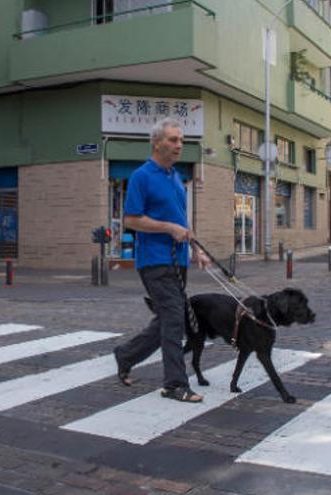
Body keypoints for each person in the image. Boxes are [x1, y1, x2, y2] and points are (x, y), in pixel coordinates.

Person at [113, 117, 210, 404]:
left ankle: (126, 354)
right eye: (173, 139)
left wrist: (195, 248)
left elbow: (180, 220)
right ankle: (174, 384)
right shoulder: (142, 176)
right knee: (174, 320)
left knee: (171, 316)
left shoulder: (176, 177)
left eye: (181, 140)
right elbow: (131, 220)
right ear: (157, 143)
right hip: (154, 260)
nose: (179, 145)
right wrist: (168, 229)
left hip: (178, 258)